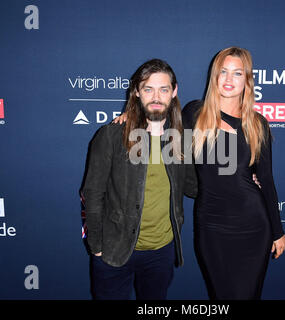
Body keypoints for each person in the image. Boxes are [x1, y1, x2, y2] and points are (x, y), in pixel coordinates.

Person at [81, 58, 197, 300]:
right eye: (148, 89)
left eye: (164, 89)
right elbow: (92, 193)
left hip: (161, 252)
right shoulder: (111, 135)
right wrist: (97, 247)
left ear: (174, 92)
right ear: (136, 92)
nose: (156, 96)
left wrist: (243, 179)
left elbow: (194, 188)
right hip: (114, 251)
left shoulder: (180, 138)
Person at [182, 46, 285, 300]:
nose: (229, 80)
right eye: (223, 72)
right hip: (211, 225)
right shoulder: (194, 112)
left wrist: (277, 230)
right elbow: (161, 130)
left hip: (253, 225)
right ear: (214, 76)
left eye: (237, 73)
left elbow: (267, 180)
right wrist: (133, 112)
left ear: (247, 80)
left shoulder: (257, 123)